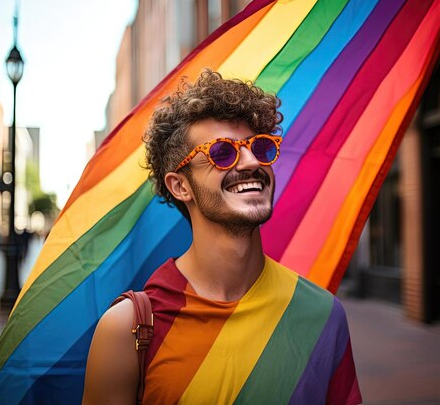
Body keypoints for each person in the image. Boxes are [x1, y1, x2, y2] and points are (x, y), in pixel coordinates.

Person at [83, 70, 362, 404]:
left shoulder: (323, 315)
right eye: (222, 152)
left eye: (260, 147)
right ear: (180, 186)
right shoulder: (128, 328)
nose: (250, 162)